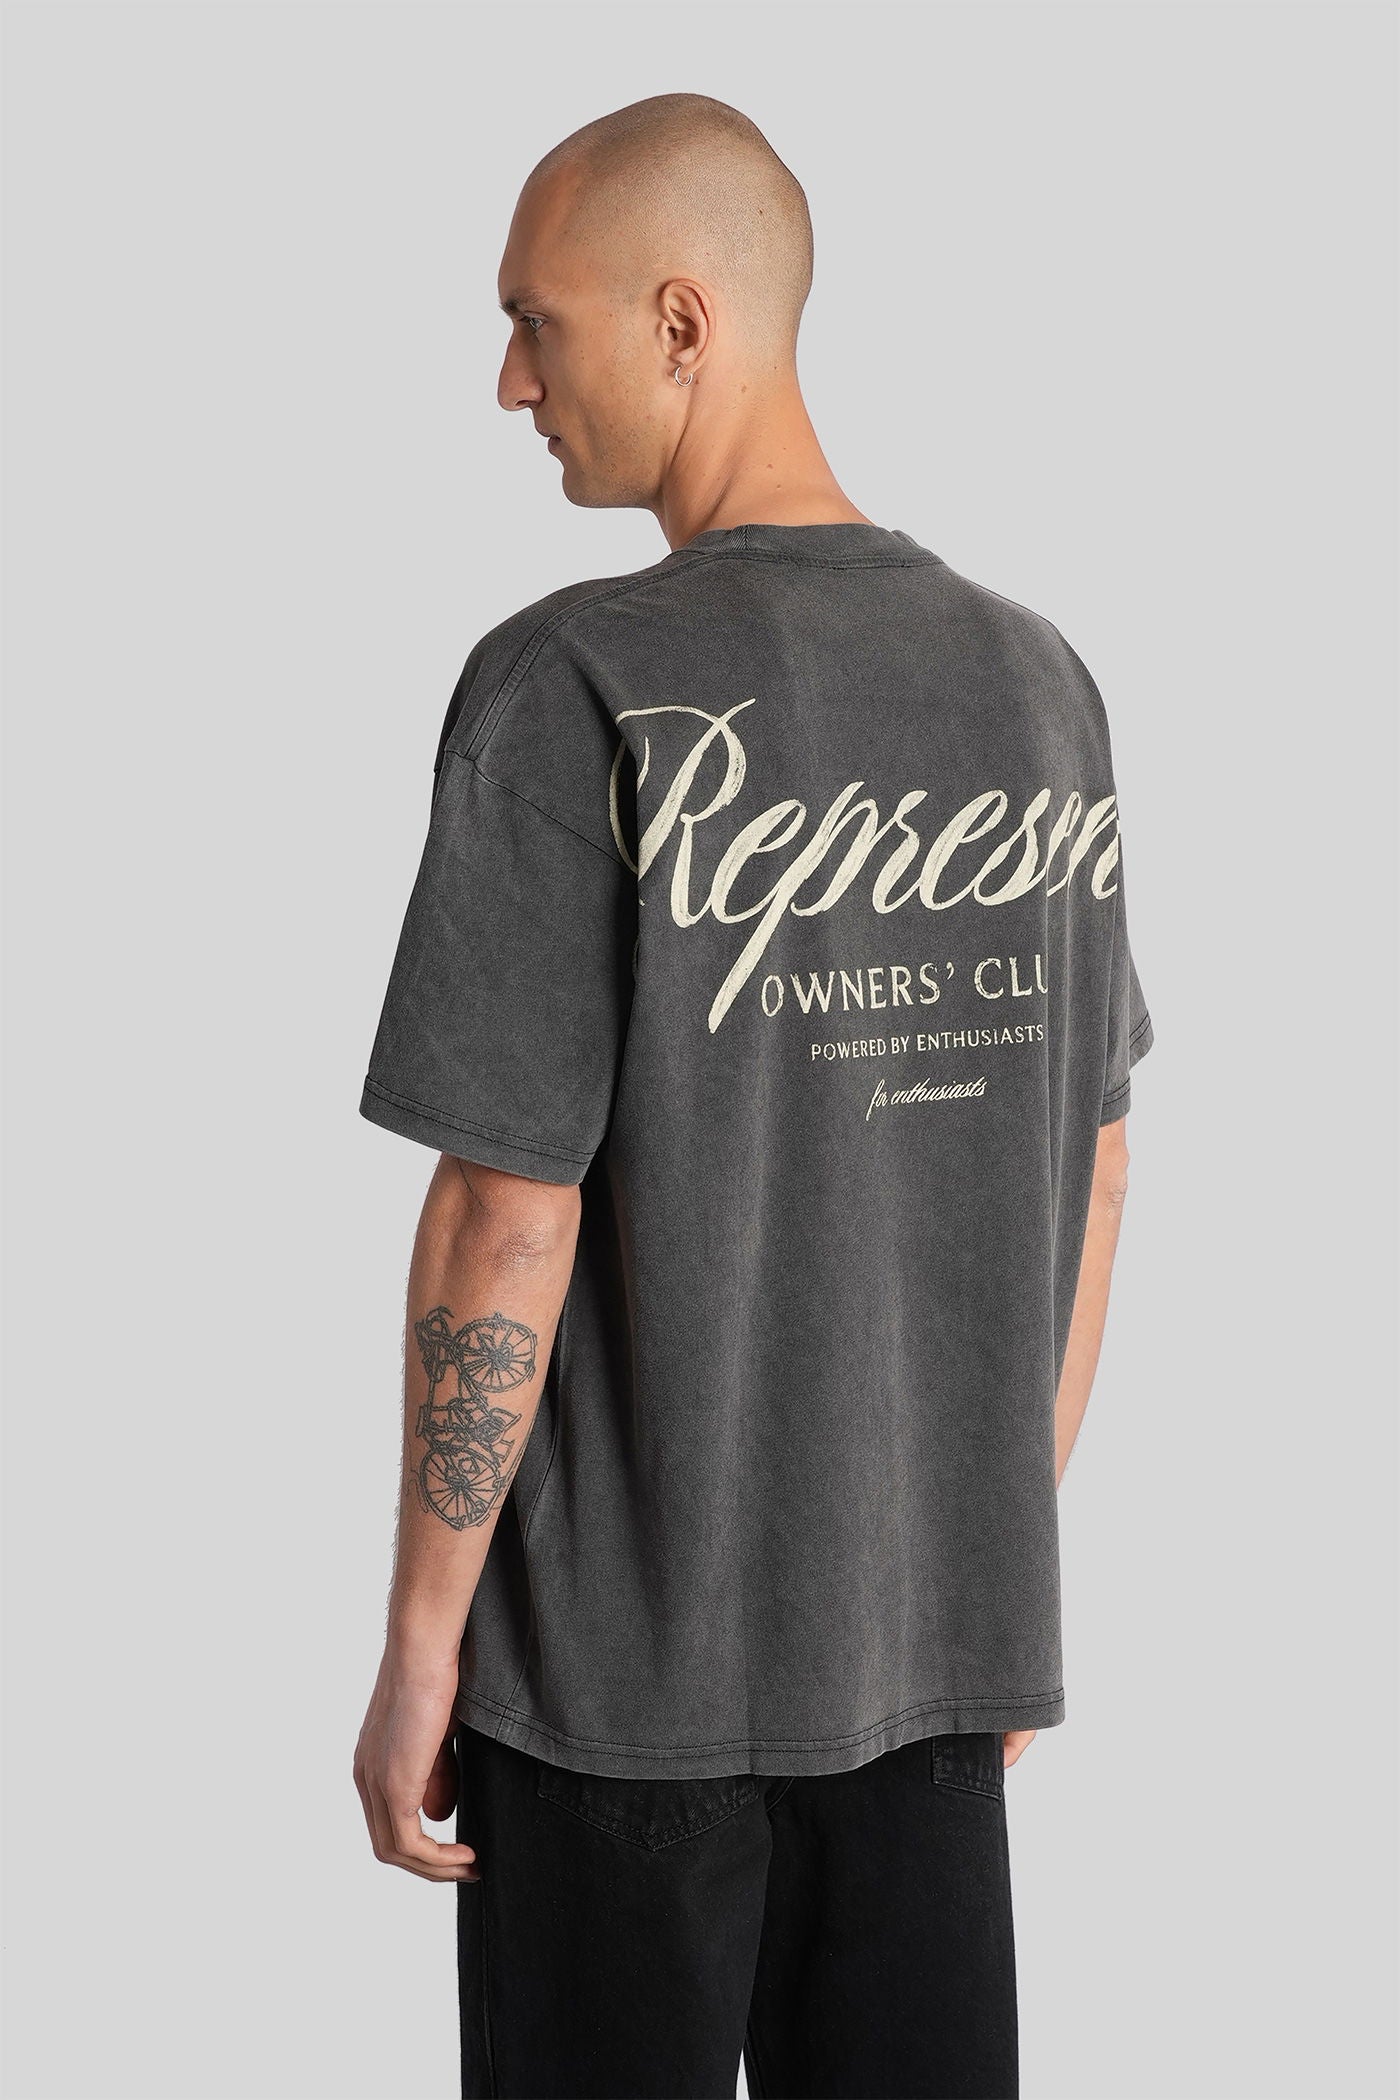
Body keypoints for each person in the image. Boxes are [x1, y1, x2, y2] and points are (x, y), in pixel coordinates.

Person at [352, 90, 1154, 2100]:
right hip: (928, 1683)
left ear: (682, 323)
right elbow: (1096, 1166)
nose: (510, 381)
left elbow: (506, 1209)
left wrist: (421, 1646)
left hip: (619, 1703)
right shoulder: (1036, 685)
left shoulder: (572, 682)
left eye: (536, 321)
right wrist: (973, 1577)